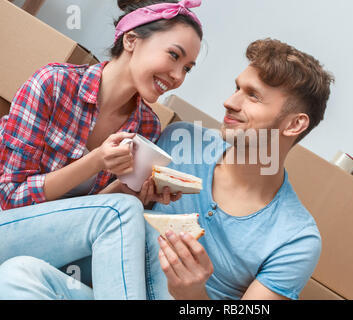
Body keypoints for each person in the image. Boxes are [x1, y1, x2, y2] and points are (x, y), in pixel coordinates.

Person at [0, 0, 203, 299]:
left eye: (187, 68)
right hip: (7, 226)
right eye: (174, 55)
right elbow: (10, 198)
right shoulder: (54, 83)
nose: (178, 76)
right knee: (123, 211)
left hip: (52, 248)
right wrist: (95, 161)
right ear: (131, 40)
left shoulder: (146, 126)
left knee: (150, 235)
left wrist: (127, 189)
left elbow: (87, 215)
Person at [144, 38, 335, 300]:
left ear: (294, 125)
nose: (230, 102)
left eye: (253, 96)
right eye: (237, 88)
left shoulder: (296, 239)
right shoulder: (181, 141)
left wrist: (191, 295)